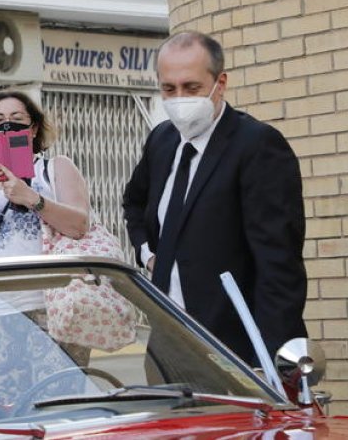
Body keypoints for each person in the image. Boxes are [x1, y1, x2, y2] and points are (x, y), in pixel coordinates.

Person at [122, 31, 306, 365]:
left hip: (237, 348)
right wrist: (148, 254)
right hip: (168, 342)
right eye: (168, 89)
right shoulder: (162, 141)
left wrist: (274, 361)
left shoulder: (257, 145)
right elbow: (134, 202)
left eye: (191, 87)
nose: (179, 98)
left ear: (220, 84)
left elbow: (278, 265)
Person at [0, 91, 90, 403]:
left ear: (33, 128)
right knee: (5, 407)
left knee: (60, 405)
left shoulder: (56, 168)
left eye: (17, 119)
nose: (7, 125)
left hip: (55, 308)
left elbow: (79, 226)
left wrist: (32, 198)